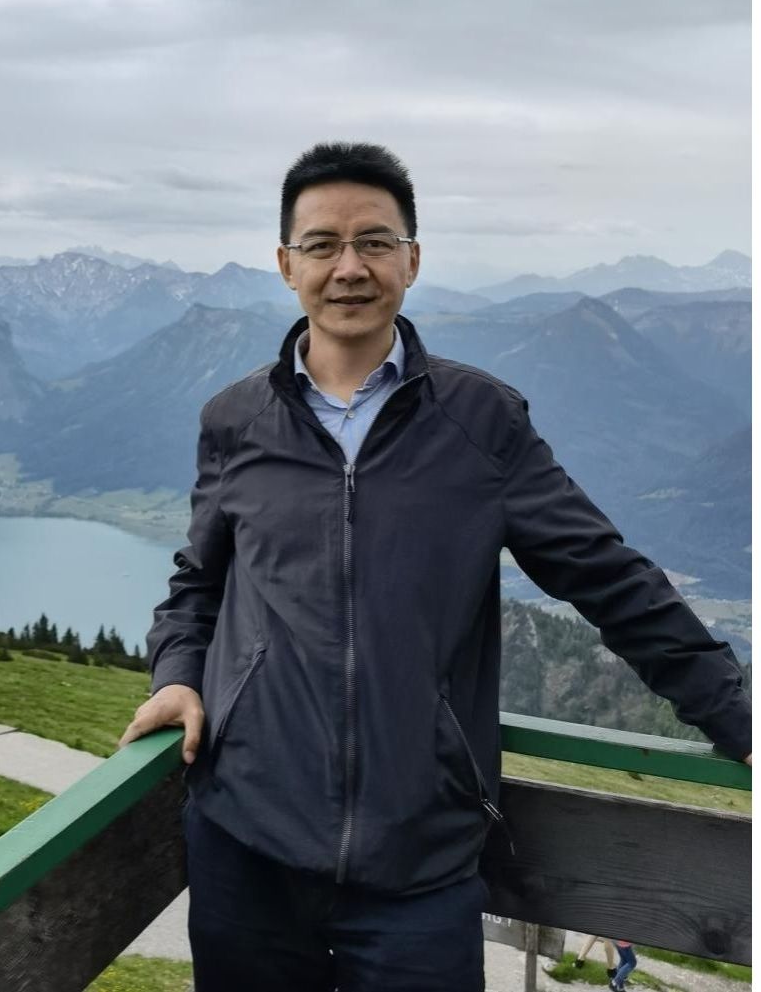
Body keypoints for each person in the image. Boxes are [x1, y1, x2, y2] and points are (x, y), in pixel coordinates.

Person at [120, 142, 752, 992]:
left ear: (411, 260)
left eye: (375, 242)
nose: (350, 267)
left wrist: (740, 716)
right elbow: (197, 585)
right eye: (322, 244)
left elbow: (610, 579)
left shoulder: (481, 421)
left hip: (420, 869)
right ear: (286, 264)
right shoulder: (235, 420)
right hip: (246, 849)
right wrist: (177, 674)